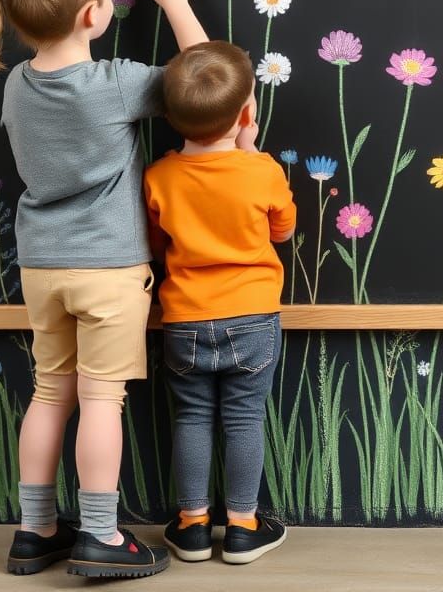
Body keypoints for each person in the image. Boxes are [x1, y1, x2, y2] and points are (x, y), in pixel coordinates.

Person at [0, 0, 206, 578]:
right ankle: (101, 535)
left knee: (51, 393)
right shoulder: (115, 84)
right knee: (103, 401)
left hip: (42, 268)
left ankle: (35, 529)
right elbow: (205, 79)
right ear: (92, 15)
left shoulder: (17, 83)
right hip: (107, 270)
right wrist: (177, 2)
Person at [143, 41, 296, 565]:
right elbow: (284, 230)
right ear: (246, 116)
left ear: (169, 117)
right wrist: (252, 156)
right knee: (245, 418)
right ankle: (244, 527)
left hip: (184, 318)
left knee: (190, 417)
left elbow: (157, 244)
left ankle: (190, 526)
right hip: (252, 317)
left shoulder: (159, 177)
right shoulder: (263, 171)